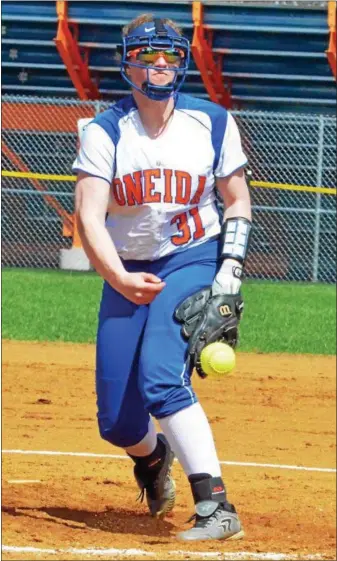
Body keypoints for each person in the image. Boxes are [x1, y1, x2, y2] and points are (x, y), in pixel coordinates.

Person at [72, 13, 252, 542]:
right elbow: (88, 219)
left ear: (183, 62)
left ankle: (216, 506)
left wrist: (229, 276)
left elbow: (237, 201)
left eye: (169, 55)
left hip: (190, 258)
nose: (158, 66)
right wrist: (121, 278)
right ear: (126, 62)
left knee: (159, 376)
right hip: (125, 265)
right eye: (146, 56)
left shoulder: (213, 123)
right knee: (119, 422)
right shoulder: (104, 131)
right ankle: (153, 458)